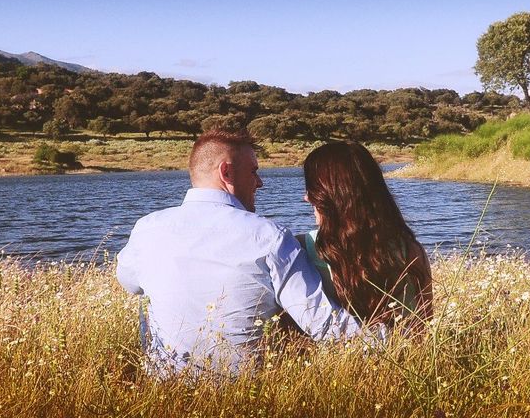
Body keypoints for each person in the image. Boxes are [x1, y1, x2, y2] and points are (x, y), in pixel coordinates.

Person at [116, 129, 369, 375]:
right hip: (244, 390)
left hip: (164, 388)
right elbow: (323, 324)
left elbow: (128, 282)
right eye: (253, 171)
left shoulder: (147, 228)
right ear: (226, 172)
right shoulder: (270, 237)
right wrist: (396, 339)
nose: (260, 182)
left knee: (146, 293)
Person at [300, 141, 433, 331]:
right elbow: (425, 332)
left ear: (330, 195)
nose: (306, 197)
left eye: (312, 188)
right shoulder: (411, 251)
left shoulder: (300, 249)